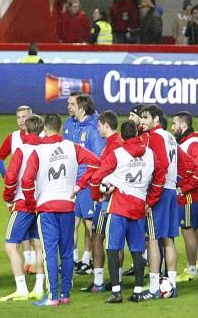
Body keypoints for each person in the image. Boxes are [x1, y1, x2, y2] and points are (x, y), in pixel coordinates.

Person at [20, 112, 99, 307]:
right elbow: (96, 162)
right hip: (67, 204)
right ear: (60, 129)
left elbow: (26, 180)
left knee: (49, 252)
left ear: (45, 129)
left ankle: (53, 296)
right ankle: (65, 294)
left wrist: (31, 202)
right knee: (66, 250)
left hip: (46, 206)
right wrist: (80, 184)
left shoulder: (38, 151)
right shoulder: (72, 147)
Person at [90, 120, 164, 304]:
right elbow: (160, 177)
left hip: (119, 206)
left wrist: (97, 196)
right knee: (138, 250)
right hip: (139, 206)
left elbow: (96, 177)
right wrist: (151, 200)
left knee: (113, 249)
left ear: (122, 136)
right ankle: (138, 291)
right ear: (138, 134)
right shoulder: (150, 154)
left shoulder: (118, 154)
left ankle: (116, 292)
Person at [0, 113, 46, 301]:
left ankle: (21, 288)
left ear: (25, 130)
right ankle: (39, 287)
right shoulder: (47, 149)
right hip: (42, 203)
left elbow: (11, 177)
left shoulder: (21, 149)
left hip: (23, 203)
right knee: (38, 245)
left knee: (10, 246)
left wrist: (8, 198)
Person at [139, 105, 183, 298]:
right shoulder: (170, 137)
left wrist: (151, 198)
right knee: (168, 239)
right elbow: (187, 164)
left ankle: (155, 287)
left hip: (160, 192)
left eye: (145, 118)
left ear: (155, 119)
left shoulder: (155, 137)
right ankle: (171, 284)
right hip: (172, 190)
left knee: (153, 239)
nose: (142, 121)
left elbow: (161, 166)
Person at [63, 94, 106, 279]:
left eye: (72, 104)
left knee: (91, 226)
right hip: (71, 182)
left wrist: (87, 182)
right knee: (72, 222)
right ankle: (73, 260)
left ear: (82, 109)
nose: (68, 107)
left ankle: (91, 262)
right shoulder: (69, 124)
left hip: (87, 184)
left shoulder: (94, 128)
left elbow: (97, 159)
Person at [83, 109, 122, 293]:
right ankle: (117, 279)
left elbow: (104, 172)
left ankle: (99, 281)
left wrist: (95, 193)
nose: (97, 128)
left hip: (106, 200)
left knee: (97, 237)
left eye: (99, 125)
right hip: (114, 199)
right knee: (114, 240)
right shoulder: (113, 144)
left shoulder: (113, 146)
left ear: (106, 125)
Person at [172, 111, 198, 281]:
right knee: (196, 228)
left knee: (187, 231)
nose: (172, 127)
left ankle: (191, 270)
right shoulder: (189, 142)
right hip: (195, 196)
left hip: (189, 198)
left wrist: (184, 188)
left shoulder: (192, 143)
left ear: (183, 125)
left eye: (175, 124)